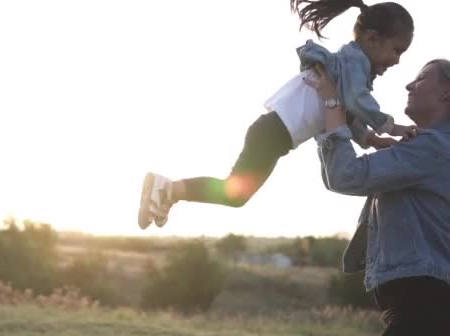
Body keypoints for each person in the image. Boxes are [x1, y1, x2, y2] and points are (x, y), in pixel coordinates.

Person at [138, 0, 416, 229]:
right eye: (397, 50)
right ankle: (166, 189)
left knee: (235, 193)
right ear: (372, 39)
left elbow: (345, 113)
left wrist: (370, 139)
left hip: (272, 133)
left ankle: (168, 192)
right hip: (273, 133)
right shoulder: (354, 63)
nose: (397, 60)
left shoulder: (348, 67)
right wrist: (390, 127)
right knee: (234, 193)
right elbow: (357, 100)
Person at [311, 59, 450, 336]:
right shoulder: (425, 148)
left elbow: (345, 176)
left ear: (447, 91)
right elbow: (339, 179)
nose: (409, 84)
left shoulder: (432, 147)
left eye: (421, 78)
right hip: (423, 304)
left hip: (427, 304)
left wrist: (330, 105)